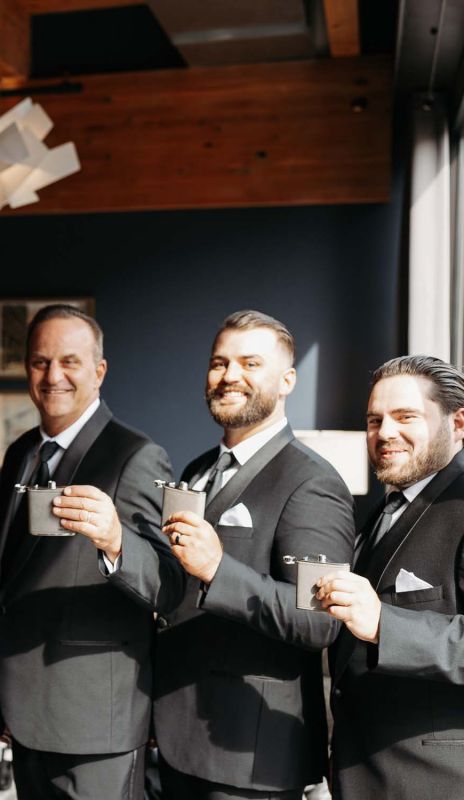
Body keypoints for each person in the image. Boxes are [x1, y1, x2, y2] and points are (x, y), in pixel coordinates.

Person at [117, 310, 355, 799]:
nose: (230, 376)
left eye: (250, 363)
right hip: (174, 741)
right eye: (219, 363)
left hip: (251, 756)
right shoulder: (198, 469)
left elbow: (320, 623)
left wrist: (218, 571)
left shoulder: (315, 482)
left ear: (287, 380)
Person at [0, 304, 172, 799]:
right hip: (22, 709)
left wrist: (115, 541)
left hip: (96, 720)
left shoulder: (135, 455)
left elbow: (168, 582)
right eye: (40, 362)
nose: (53, 376)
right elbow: (7, 584)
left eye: (69, 361)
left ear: (99, 371)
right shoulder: (20, 452)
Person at [319, 356, 464, 798]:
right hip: (359, 772)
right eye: (374, 419)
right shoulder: (381, 510)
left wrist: (385, 624)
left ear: (459, 424)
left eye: (406, 417)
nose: (384, 433)